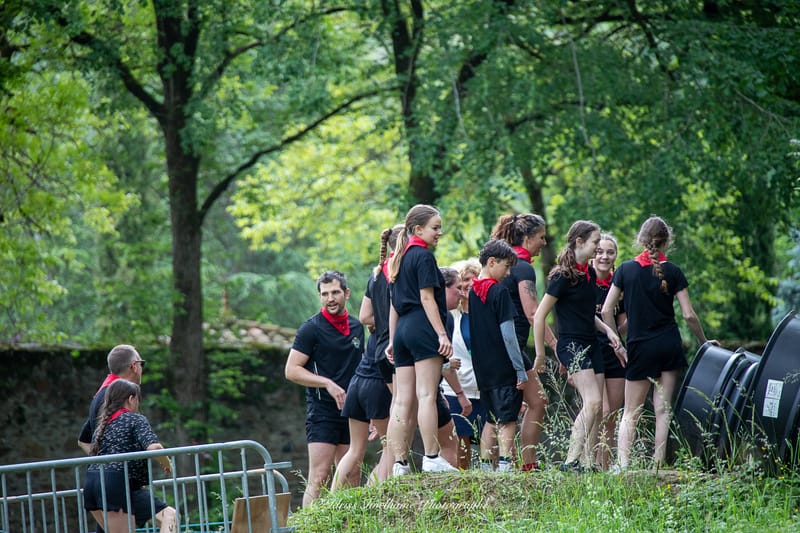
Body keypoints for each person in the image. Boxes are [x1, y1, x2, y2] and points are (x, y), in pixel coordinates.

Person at [601, 216, 718, 471]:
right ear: (666, 241)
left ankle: (622, 466)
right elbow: (688, 314)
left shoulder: (625, 270)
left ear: (641, 240)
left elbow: (607, 309)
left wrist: (617, 342)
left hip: (639, 348)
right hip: (668, 345)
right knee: (662, 409)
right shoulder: (674, 272)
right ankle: (656, 465)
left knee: (630, 412)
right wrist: (704, 341)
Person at [533, 220, 623, 472]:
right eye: (595, 242)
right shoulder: (561, 275)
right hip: (572, 345)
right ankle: (570, 461)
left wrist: (609, 331)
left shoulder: (589, 273)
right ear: (579, 242)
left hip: (592, 343)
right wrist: (541, 353)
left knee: (598, 410)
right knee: (593, 402)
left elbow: (587, 314)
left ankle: (587, 463)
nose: (598, 248)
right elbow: (539, 316)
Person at [385, 204, 458, 474]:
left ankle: (399, 463)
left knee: (402, 400)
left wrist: (393, 339)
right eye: (435, 228)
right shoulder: (423, 256)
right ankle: (431, 457)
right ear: (418, 229)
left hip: (403, 329)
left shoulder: (397, 258)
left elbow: (394, 303)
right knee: (426, 395)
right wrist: (442, 333)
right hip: (422, 326)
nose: (439, 232)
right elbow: (427, 297)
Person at [285, 270, 364, 506]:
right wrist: (327, 383)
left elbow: (363, 370)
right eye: (325, 294)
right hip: (322, 412)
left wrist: (368, 410)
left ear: (346, 294)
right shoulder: (311, 329)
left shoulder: (358, 327)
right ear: (319, 296)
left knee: (352, 476)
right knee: (319, 477)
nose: (331, 298)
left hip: (352, 412)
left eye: (335, 292)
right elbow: (291, 370)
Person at [332, 227, 402, 490]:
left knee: (354, 450)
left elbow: (363, 316)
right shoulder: (399, 275)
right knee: (391, 449)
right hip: (376, 382)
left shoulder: (376, 274)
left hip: (356, 384)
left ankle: (333, 502)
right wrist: (393, 325)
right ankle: (371, 497)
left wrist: (381, 322)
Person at [78, 345, 175, 533]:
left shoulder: (102, 401)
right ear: (134, 366)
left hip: (95, 482)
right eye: (142, 363)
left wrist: (103, 466)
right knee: (169, 516)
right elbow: (154, 447)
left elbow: (84, 441)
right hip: (116, 483)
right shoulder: (130, 416)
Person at [491, 213, 557, 471]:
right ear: (528, 238)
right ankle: (524, 464)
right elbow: (533, 313)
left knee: (527, 404)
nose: (544, 242)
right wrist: (555, 346)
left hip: (501, 345)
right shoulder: (522, 267)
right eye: (541, 237)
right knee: (536, 402)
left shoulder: (504, 265)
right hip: (513, 347)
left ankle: (515, 463)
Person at [468, 239, 528, 472]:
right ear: (492, 262)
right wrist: (520, 369)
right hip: (503, 367)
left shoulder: (473, 292)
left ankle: (484, 465)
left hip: (483, 368)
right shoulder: (499, 292)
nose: (509, 272)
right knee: (508, 419)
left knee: (491, 419)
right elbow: (509, 335)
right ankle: (504, 464)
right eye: (506, 266)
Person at [440, 258, 488, 470]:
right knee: (461, 455)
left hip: (485, 391)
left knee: (492, 453)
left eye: (474, 279)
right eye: (464, 280)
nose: (469, 284)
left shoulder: (488, 314)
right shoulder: (450, 316)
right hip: (456, 392)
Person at [592, 233, 627, 469]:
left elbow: (622, 325)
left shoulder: (620, 287)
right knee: (596, 410)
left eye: (610, 252)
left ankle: (603, 467)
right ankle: (587, 464)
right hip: (589, 351)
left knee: (611, 415)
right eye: (600, 251)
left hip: (613, 352)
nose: (605, 256)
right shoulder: (583, 282)